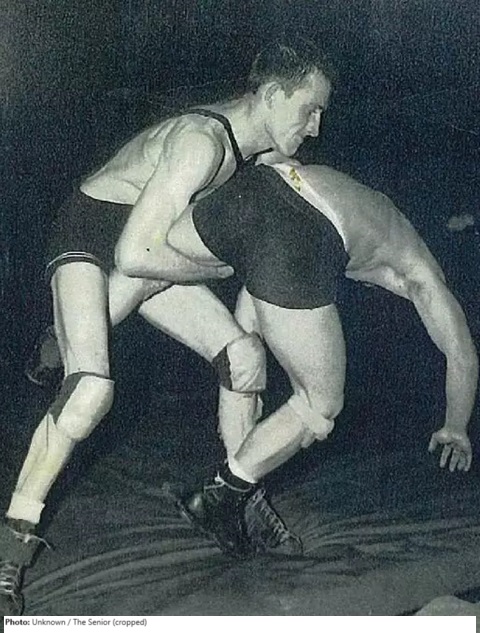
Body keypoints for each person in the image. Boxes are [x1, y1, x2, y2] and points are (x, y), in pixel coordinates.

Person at [0, 42, 334, 615]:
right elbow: (134, 254)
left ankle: (233, 496)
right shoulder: (202, 142)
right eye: (310, 109)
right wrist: (220, 268)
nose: (316, 127)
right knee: (90, 390)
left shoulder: (253, 157)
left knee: (244, 356)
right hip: (95, 238)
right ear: (272, 96)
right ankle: (10, 547)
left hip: (148, 255)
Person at [163, 159, 479, 557]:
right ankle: (220, 495)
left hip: (257, 191)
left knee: (242, 355)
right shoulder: (423, 275)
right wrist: (455, 426)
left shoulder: (380, 212)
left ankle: (238, 489)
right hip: (299, 229)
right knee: (320, 405)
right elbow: (462, 354)